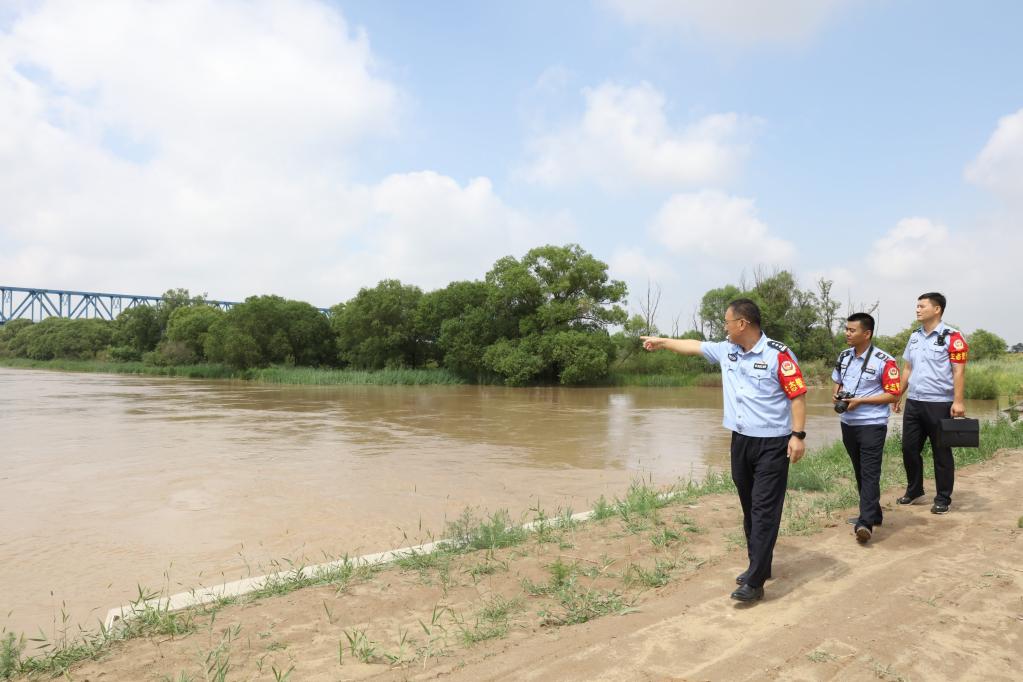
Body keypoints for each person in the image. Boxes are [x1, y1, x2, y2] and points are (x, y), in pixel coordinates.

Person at [641, 298, 806, 604]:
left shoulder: (778, 355)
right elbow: (693, 346)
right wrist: (662, 342)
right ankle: (760, 564)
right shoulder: (727, 349)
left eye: (727, 322)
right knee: (749, 506)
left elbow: (796, 396)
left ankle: (755, 582)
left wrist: (798, 435)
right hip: (740, 441)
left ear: (742, 324)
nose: (724, 327)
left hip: (772, 443)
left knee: (764, 510)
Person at [894, 292, 968, 514]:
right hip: (914, 402)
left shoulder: (953, 337)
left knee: (941, 453)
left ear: (937, 309)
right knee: (909, 449)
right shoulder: (914, 337)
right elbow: (907, 368)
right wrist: (898, 394)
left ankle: (943, 498)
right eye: (917, 306)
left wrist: (958, 401)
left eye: (922, 306)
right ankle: (915, 491)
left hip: (940, 404)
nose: (917, 309)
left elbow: (959, 371)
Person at [832, 313, 901, 543]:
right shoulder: (844, 356)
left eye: (852, 330)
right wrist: (837, 394)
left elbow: (893, 394)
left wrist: (861, 401)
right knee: (859, 470)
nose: (847, 333)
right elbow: (837, 380)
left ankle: (865, 523)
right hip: (848, 424)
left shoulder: (884, 360)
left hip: (872, 424)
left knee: (869, 472)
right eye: (846, 329)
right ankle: (874, 513)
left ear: (867, 333)